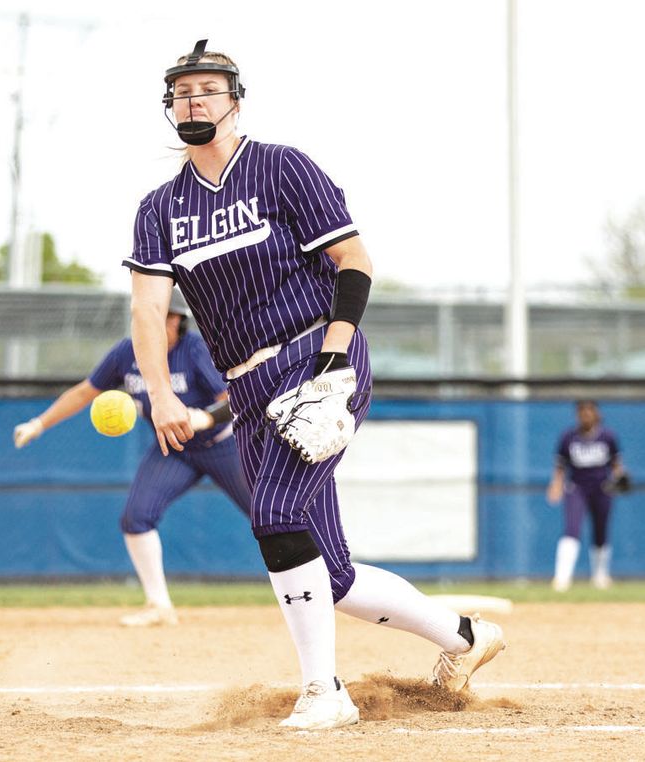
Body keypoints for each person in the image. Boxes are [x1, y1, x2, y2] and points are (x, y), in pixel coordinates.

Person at [122, 39, 505, 730]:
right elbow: (148, 309)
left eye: (207, 89)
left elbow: (353, 260)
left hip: (314, 359)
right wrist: (160, 393)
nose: (193, 100)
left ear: (236, 101)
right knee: (332, 574)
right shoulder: (160, 208)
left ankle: (324, 693)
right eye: (181, 92)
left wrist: (334, 360)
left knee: (273, 517)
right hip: (248, 387)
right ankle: (467, 638)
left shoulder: (280, 169)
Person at [13, 289, 252, 626]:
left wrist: (208, 418)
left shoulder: (194, 348)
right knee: (136, 517)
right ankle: (159, 606)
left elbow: (236, 398)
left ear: (178, 322)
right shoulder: (126, 354)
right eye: (147, 317)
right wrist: (39, 423)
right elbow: (84, 392)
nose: (154, 324)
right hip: (174, 449)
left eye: (165, 317)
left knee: (270, 516)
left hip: (223, 445)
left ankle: (326, 582)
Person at [545, 399, 628, 592]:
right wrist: (556, 486)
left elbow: (616, 464)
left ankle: (600, 575)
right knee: (572, 528)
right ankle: (562, 578)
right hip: (578, 488)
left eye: (589, 411)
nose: (586, 415)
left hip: (602, 488)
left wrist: (620, 477)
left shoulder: (607, 436)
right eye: (582, 411)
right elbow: (560, 466)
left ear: (597, 414)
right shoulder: (569, 437)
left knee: (600, 531)